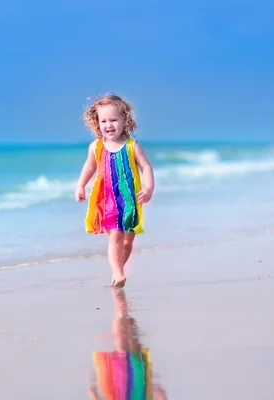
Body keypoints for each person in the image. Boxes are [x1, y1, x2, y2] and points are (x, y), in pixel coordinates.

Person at [75, 94, 155, 287]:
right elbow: (89, 167)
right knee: (116, 237)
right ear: (97, 122)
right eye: (104, 121)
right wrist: (80, 185)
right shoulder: (96, 147)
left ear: (124, 120)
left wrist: (149, 188)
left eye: (113, 120)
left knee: (128, 242)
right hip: (107, 200)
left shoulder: (132, 146)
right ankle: (118, 273)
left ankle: (117, 271)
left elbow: (146, 167)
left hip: (129, 201)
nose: (108, 125)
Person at [88, 289, 167, 400]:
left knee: (123, 347)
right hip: (138, 389)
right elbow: (161, 394)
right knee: (134, 348)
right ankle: (124, 312)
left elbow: (92, 392)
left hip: (118, 387)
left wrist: (93, 391)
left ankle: (120, 302)